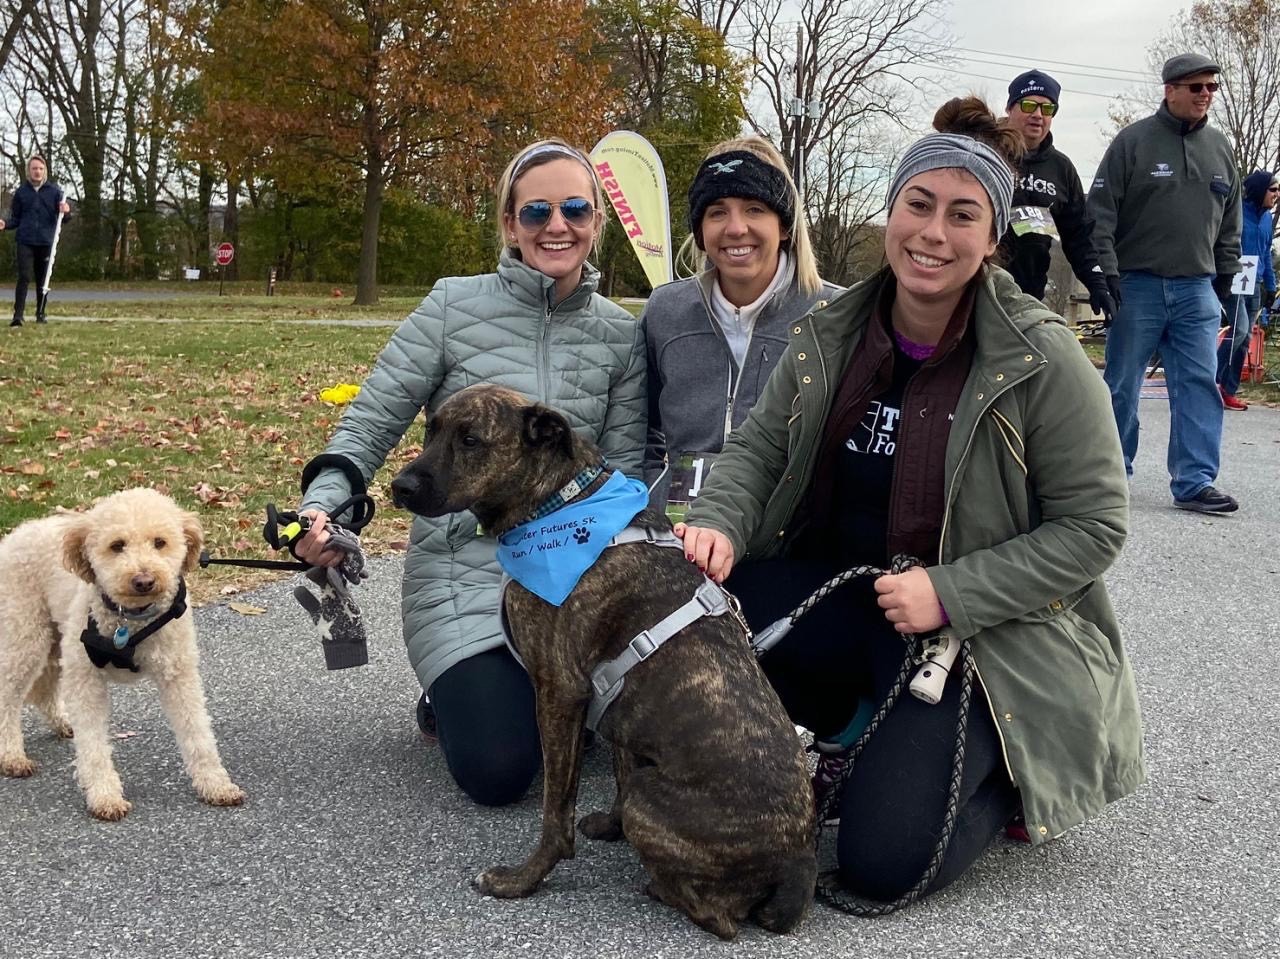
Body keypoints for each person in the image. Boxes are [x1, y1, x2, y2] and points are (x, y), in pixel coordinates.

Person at [677, 97, 1144, 905]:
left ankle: (1009, 769)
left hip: (975, 634)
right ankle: (850, 722)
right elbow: (757, 447)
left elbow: (1094, 526)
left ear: (991, 237)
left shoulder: (1043, 356)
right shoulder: (830, 332)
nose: (933, 233)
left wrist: (950, 590)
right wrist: (720, 518)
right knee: (689, 616)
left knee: (880, 863)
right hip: (848, 596)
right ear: (889, 212)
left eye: (963, 215)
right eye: (918, 205)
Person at [292, 139, 647, 806]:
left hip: (575, 583)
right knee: (498, 769)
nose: (557, 225)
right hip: (467, 577)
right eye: (536, 210)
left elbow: (622, 474)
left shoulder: (620, 335)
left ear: (597, 221)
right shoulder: (453, 305)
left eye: (575, 208)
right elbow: (370, 421)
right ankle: (450, 690)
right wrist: (323, 507)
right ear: (511, 224)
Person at [642, 135, 841, 515]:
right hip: (677, 538)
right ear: (700, 232)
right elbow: (642, 430)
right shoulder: (665, 311)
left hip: (783, 544)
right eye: (717, 211)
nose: (735, 228)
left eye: (754, 209)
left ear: (783, 226)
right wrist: (655, 498)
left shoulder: (833, 314)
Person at [1087, 53, 1242, 513]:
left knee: (1199, 383)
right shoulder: (1132, 142)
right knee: (1120, 384)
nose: (1205, 95)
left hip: (1198, 287)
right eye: (1195, 87)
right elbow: (1101, 214)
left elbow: (1229, 219)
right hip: (1137, 285)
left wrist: (1227, 276)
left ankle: (1195, 481)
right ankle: (1109, 478)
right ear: (1169, 89)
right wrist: (1107, 275)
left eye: (1212, 87)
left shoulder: (1220, 148)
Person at [1000, 70, 1114, 323]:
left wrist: (1097, 283)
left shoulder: (1061, 169)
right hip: (976, 289)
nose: (1038, 115)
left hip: (1027, 297)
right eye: (1029, 105)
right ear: (1010, 108)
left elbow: (1079, 236)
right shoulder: (985, 152)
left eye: (1047, 109)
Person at [1216, 169, 1276, 410]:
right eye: (1273, 189)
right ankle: (1213, 379)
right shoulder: (1237, 212)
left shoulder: (1267, 219)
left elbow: (1266, 253)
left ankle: (1228, 390)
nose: (1277, 194)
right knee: (1239, 329)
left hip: (1256, 282)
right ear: (1260, 190)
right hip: (1234, 278)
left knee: (1245, 338)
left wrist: (1271, 286)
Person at [1, 156, 72, 326]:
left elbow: (64, 218)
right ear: (29, 171)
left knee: (43, 279)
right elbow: (16, 218)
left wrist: (67, 211)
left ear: (44, 171)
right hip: (25, 240)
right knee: (24, 277)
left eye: (40, 168)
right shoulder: (21, 192)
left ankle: (41, 313)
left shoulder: (55, 192)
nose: (37, 172)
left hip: (46, 241)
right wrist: (5, 224)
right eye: (34, 168)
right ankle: (18, 316)